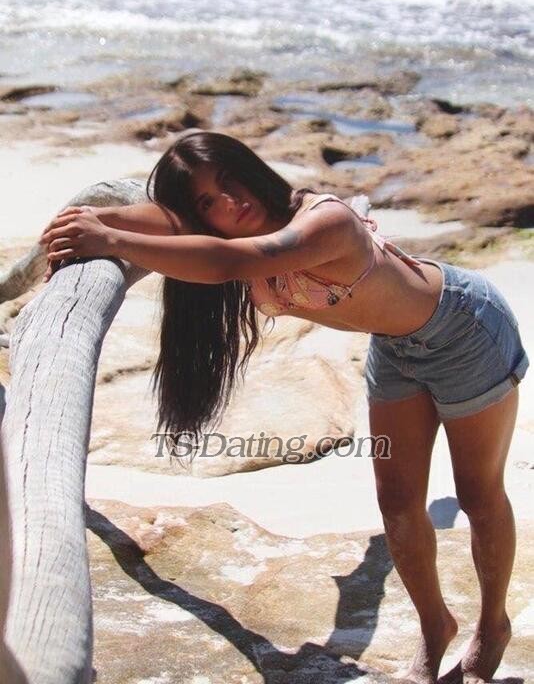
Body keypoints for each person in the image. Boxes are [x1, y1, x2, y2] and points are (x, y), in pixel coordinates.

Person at [39, 130, 529, 684]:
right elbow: (171, 222)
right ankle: (434, 625)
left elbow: (230, 262)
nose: (230, 201)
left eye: (230, 180)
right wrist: (91, 220)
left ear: (251, 169)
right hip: (395, 349)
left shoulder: (324, 222)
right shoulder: (225, 230)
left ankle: (491, 627)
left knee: (477, 492)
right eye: (208, 200)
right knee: (396, 502)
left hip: (462, 327)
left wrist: (111, 238)